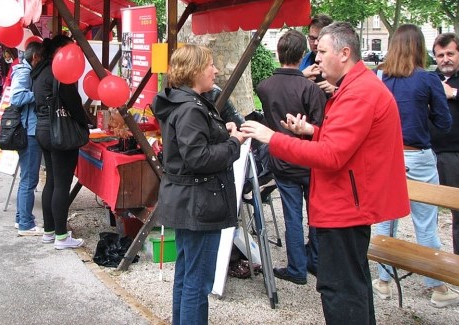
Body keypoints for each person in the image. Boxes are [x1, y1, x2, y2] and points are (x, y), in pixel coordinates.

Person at [241, 22, 410, 325]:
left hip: (345, 206)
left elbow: (332, 155)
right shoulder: (356, 87)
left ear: (345, 53)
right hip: (347, 202)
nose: (315, 58)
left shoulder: (358, 93)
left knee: (340, 288)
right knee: (351, 284)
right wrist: (311, 130)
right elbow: (346, 142)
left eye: (321, 51)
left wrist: (273, 138)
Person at [152, 44, 247, 325]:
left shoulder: (182, 103)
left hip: (187, 200)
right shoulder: (191, 108)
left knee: (186, 275)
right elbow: (198, 157)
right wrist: (234, 143)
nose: (215, 70)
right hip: (199, 204)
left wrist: (223, 132)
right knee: (196, 281)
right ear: (194, 71)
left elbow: (193, 148)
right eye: (210, 65)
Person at [372, 25, 459, 308]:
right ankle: (436, 286)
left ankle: (383, 282)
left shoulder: (381, 77)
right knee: (425, 221)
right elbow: (445, 123)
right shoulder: (429, 80)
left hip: (388, 155)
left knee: (385, 220)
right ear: (420, 47)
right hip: (418, 155)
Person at [256, 29, 326, 285]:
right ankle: (315, 262)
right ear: (303, 54)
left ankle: (296, 267)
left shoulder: (265, 87)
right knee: (315, 214)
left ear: (278, 53)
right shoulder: (312, 90)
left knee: (292, 216)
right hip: (308, 159)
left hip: (283, 157)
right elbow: (319, 127)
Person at [34, 35, 89, 249]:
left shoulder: (40, 70)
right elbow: (73, 103)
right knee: (62, 184)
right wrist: (85, 122)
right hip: (60, 132)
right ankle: (61, 236)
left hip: (42, 129)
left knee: (51, 181)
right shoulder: (60, 71)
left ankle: (49, 231)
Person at [10, 41, 44, 236]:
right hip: (29, 131)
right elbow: (17, 97)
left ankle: (20, 218)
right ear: (35, 57)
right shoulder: (24, 72)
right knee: (29, 179)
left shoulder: (22, 70)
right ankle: (26, 224)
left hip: (27, 129)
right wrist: (39, 94)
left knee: (26, 178)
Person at [431, 33, 459, 255]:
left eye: (450, 53)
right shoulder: (432, 79)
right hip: (439, 153)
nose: (445, 59)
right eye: (440, 55)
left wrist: (454, 93)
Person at [299, 14, 336, 96]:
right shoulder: (302, 62)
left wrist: (337, 89)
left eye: (319, 38)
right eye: (312, 38)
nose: (315, 43)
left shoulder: (342, 62)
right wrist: (300, 78)